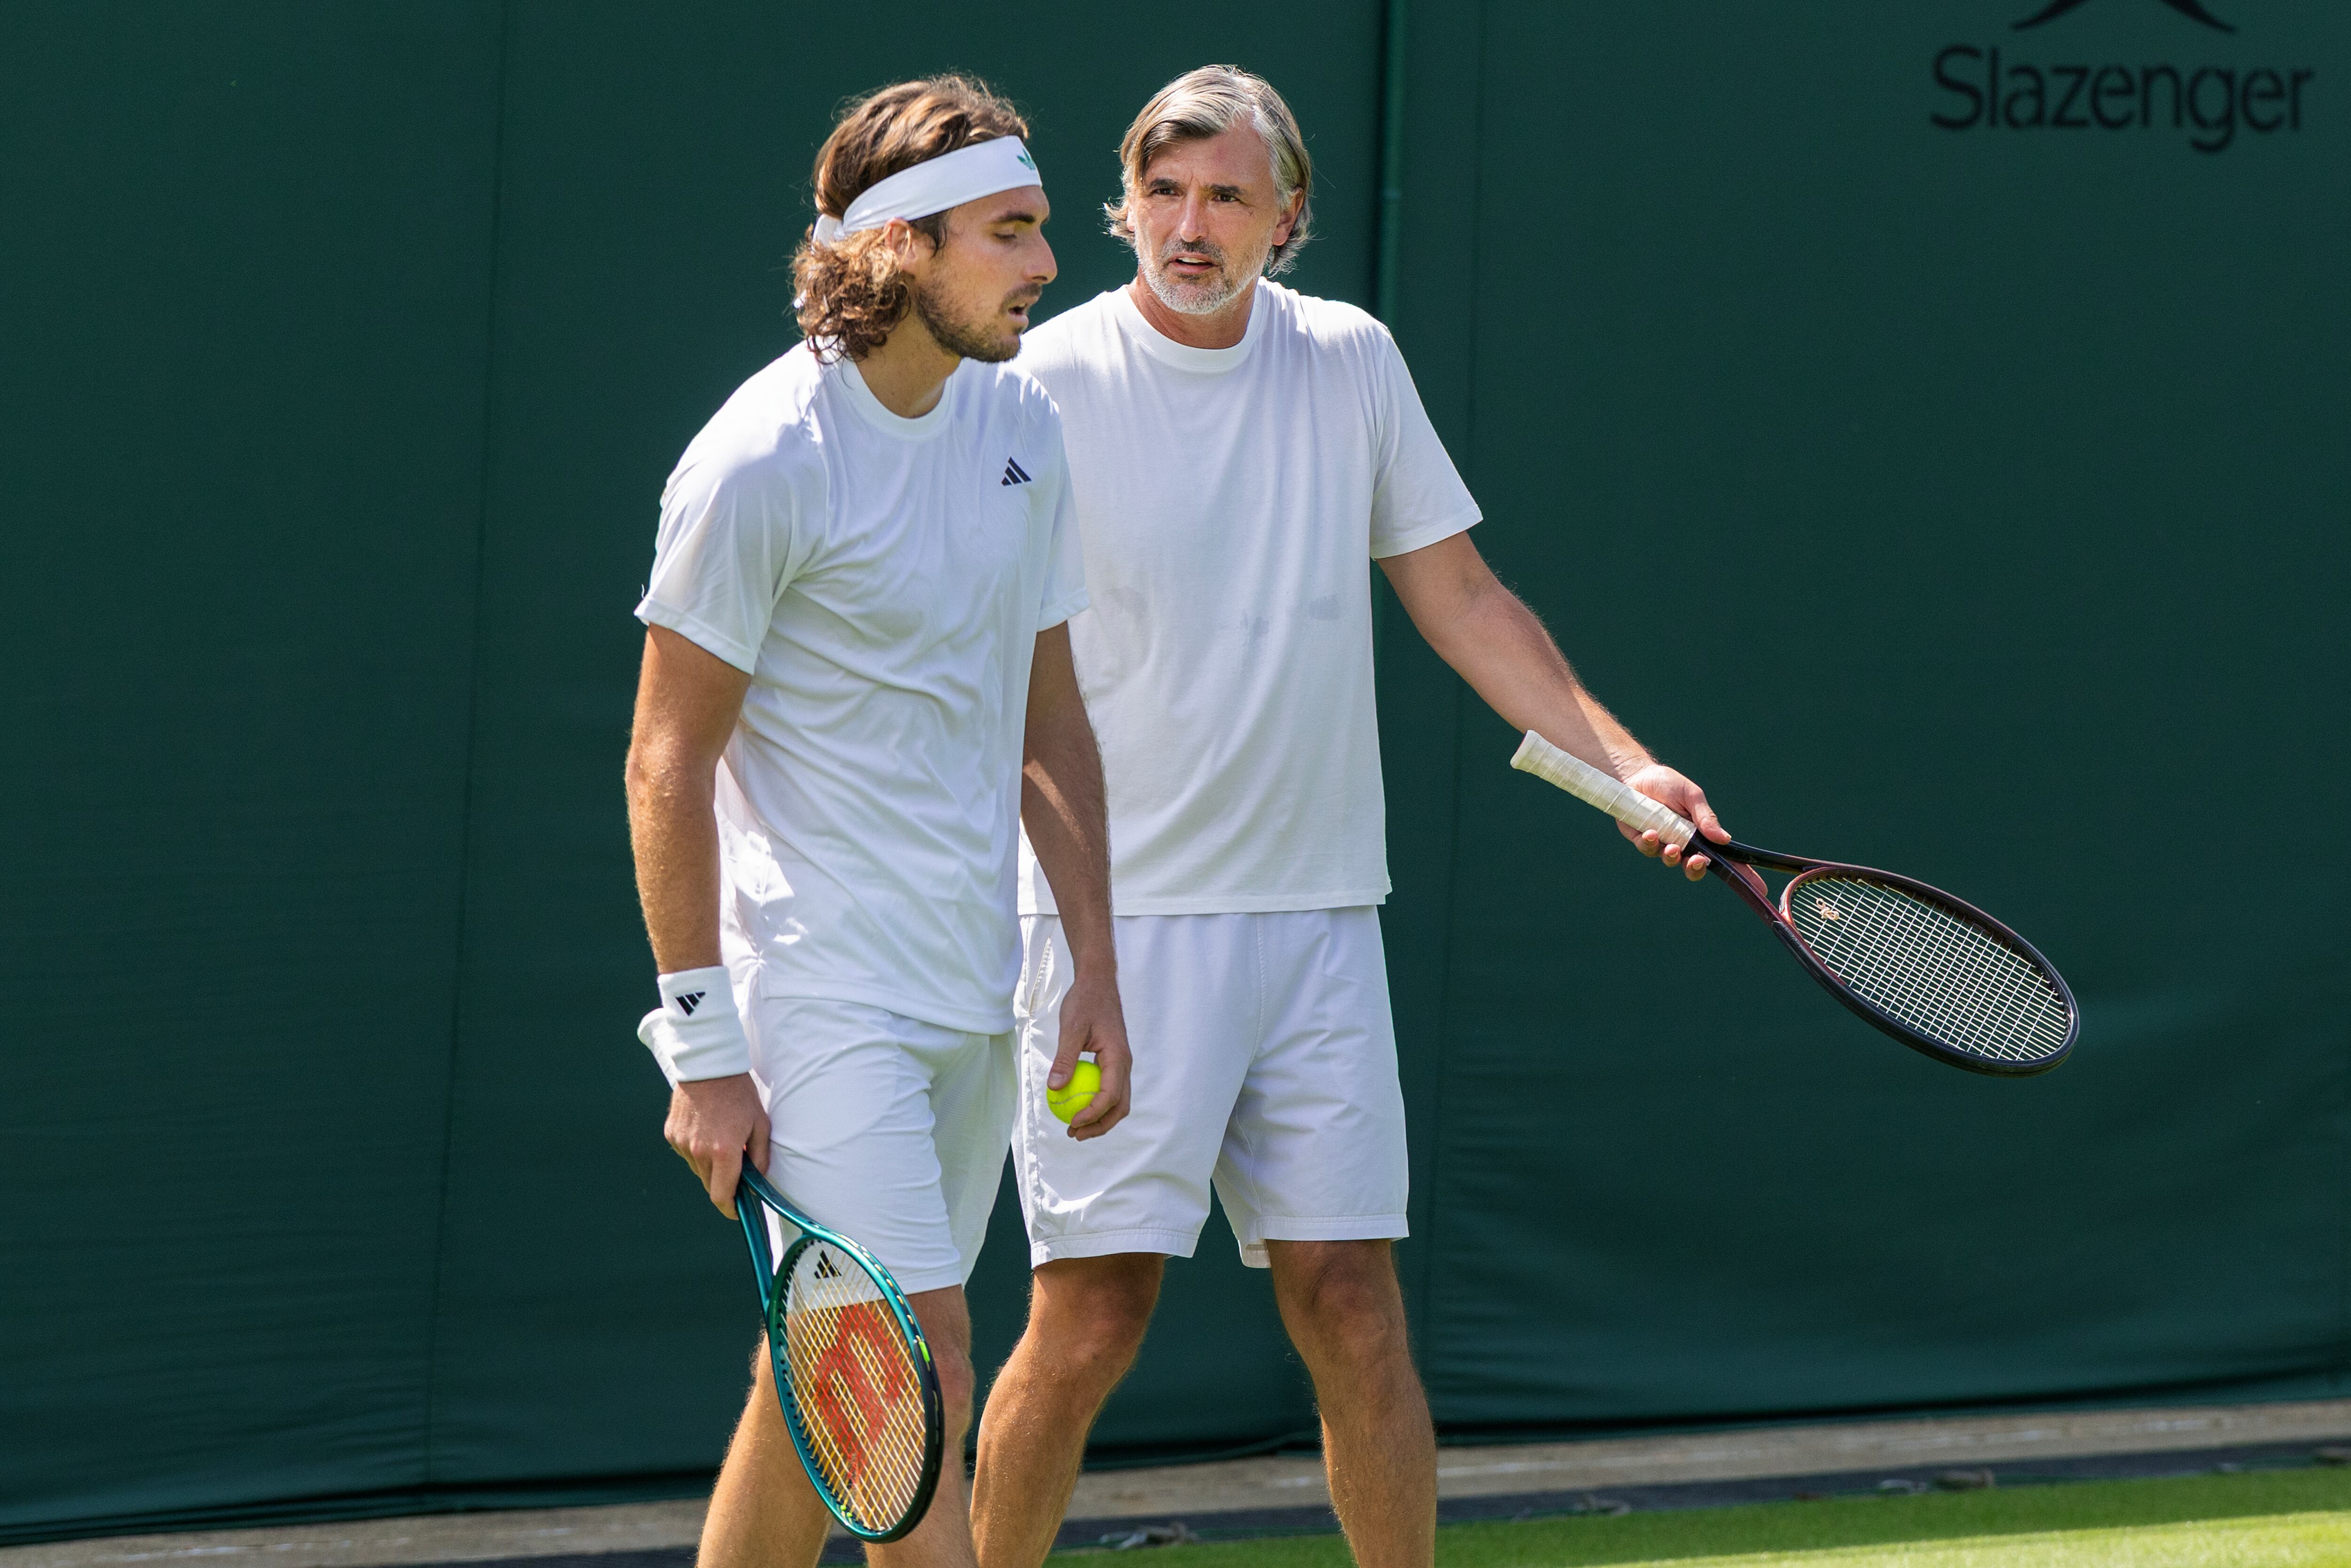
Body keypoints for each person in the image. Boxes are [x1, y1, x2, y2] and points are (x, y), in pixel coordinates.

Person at [968, 67, 1727, 1568]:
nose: (1191, 228)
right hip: (1103, 934)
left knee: (1351, 1299)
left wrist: (1624, 765)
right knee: (1093, 1311)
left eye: (1228, 197)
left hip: (1320, 925)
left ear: (1287, 215)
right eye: (1165, 194)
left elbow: (1459, 594)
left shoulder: (1351, 363)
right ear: (1122, 204)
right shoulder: (1034, 389)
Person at [623, 76, 1130, 1568]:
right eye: (1012, 232)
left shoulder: (1022, 422)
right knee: (919, 1377)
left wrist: (1090, 963)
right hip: (813, 989)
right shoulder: (763, 458)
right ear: (900, 247)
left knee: (824, 1398)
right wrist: (703, 1048)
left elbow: (1049, 722)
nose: (1047, 264)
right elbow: (666, 760)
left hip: (968, 987)